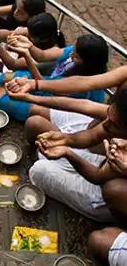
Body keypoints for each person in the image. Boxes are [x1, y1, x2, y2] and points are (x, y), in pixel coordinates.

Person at [15, 85, 127, 224]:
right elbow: (92, 134)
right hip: (100, 168)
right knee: (36, 125)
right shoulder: (116, 119)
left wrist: (67, 153)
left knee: (39, 170)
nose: (105, 125)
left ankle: (115, 226)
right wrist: (65, 141)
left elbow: (98, 176)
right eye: (108, 115)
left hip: (105, 194)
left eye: (114, 125)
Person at [0, 32, 108, 121]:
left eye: (76, 56)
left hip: (57, 106)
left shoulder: (81, 87)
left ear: (87, 63)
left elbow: (43, 87)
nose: (71, 54)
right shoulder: (76, 52)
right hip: (47, 84)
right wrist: (29, 46)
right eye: (73, 50)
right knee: (6, 79)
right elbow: (42, 56)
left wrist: (26, 56)